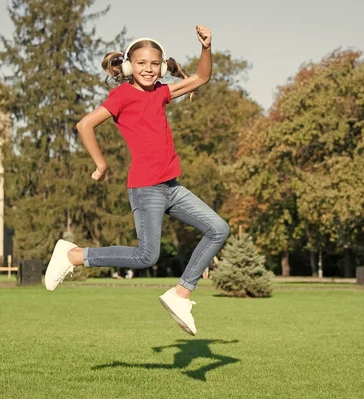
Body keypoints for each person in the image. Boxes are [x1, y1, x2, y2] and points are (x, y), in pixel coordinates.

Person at [45, 25, 229, 336]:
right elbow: (85, 124)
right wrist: (100, 164)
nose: (148, 69)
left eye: (154, 64)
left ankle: (181, 294)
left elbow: (201, 78)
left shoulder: (161, 92)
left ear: (161, 67)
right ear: (130, 66)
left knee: (218, 229)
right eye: (141, 63)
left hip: (171, 187)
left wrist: (206, 48)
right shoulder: (122, 96)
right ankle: (73, 255)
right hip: (146, 189)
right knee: (147, 255)